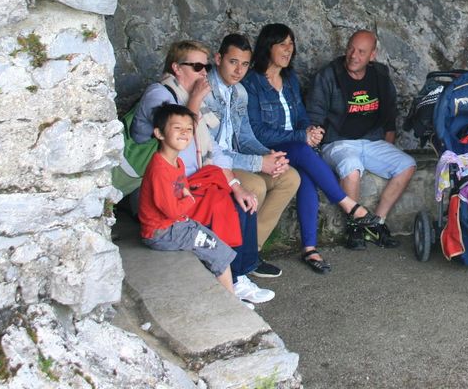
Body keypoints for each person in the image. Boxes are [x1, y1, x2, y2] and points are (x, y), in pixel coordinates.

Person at [130, 40, 274, 304]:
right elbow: (179, 143)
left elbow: (212, 148)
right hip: (160, 186)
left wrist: (234, 183)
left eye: (206, 67)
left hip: (194, 177)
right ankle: (234, 278)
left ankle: (241, 274)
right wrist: (195, 101)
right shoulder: (160, 95)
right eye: (196, 66)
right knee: (228, 204)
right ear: (176, 68)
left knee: (245, 199)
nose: (203, 73)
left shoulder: (192, 97)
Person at [242, 23, 378, 274]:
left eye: (291, 44)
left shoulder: (290, 78)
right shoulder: (252, 83)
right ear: (267, 47)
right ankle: (349, 206)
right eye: (282, 44)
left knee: (306, 177)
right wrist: (301, 137)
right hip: (265, 148)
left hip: (294, 146)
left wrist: (311, 132)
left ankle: (309, 249)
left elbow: (302, 117)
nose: (288, 50)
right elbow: (257, 131)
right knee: (304, 153)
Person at [306, 30, 416, 250]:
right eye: (351, 49)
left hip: (371, 141)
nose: (354, 56)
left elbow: (389, 114)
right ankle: (355, 225)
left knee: (407, 165)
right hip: (338, 142)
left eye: (361, 52)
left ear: (372, 56)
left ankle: (376, 223)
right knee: (351, 167)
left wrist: (388, 141)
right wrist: (315, 137)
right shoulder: (329, 75)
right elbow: (314, 114)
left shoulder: (380, 76)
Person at [203, 33, 301, 279]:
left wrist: (269, 155)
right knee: (255, 185)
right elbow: (210, 151)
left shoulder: (240, 93)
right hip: (214, 165)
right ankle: (237, 261)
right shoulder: (205, 91)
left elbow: (245, 137)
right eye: (233, 62)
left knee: (290, 177)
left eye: (245, 64)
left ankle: (250, 253)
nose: (239, 71)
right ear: (218, 59)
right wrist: (259, 163)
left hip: (236, 159)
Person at [139, 104, 241, 297]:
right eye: (177, 128)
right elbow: (172, 210)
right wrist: (189, 200)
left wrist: (186, 201)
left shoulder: (176, 162)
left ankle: (229, 294)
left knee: (215, 241)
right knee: (220, 253)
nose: (185, 133)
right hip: (161, 231)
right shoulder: (160, 170)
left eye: (189, 129)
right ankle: (233, 302)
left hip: (172, 225)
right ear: (159, 133)